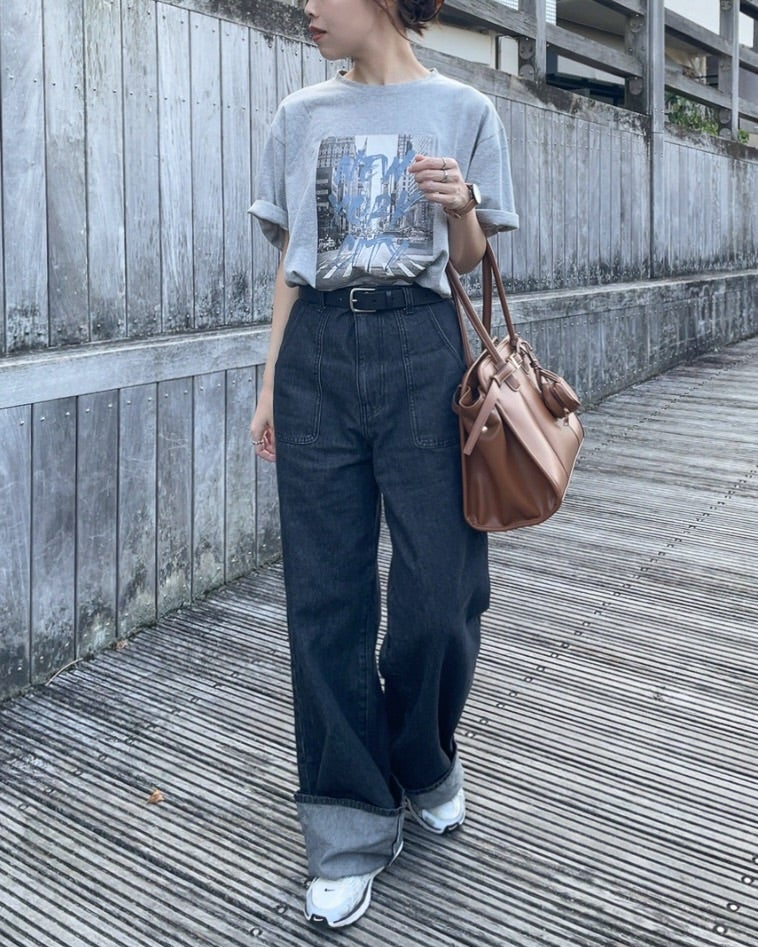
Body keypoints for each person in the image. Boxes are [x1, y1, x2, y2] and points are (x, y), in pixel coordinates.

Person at [249, 0, 518, 929]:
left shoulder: (465, 109)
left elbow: (470, 261)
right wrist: (270, 382)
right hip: (318, 355)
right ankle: (348, 820)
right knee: (324, 596)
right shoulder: (299, 116)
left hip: (424, 352)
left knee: (443, 587)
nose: (306, 8)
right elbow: (293, 261)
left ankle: (421, 756)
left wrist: (461, 207)